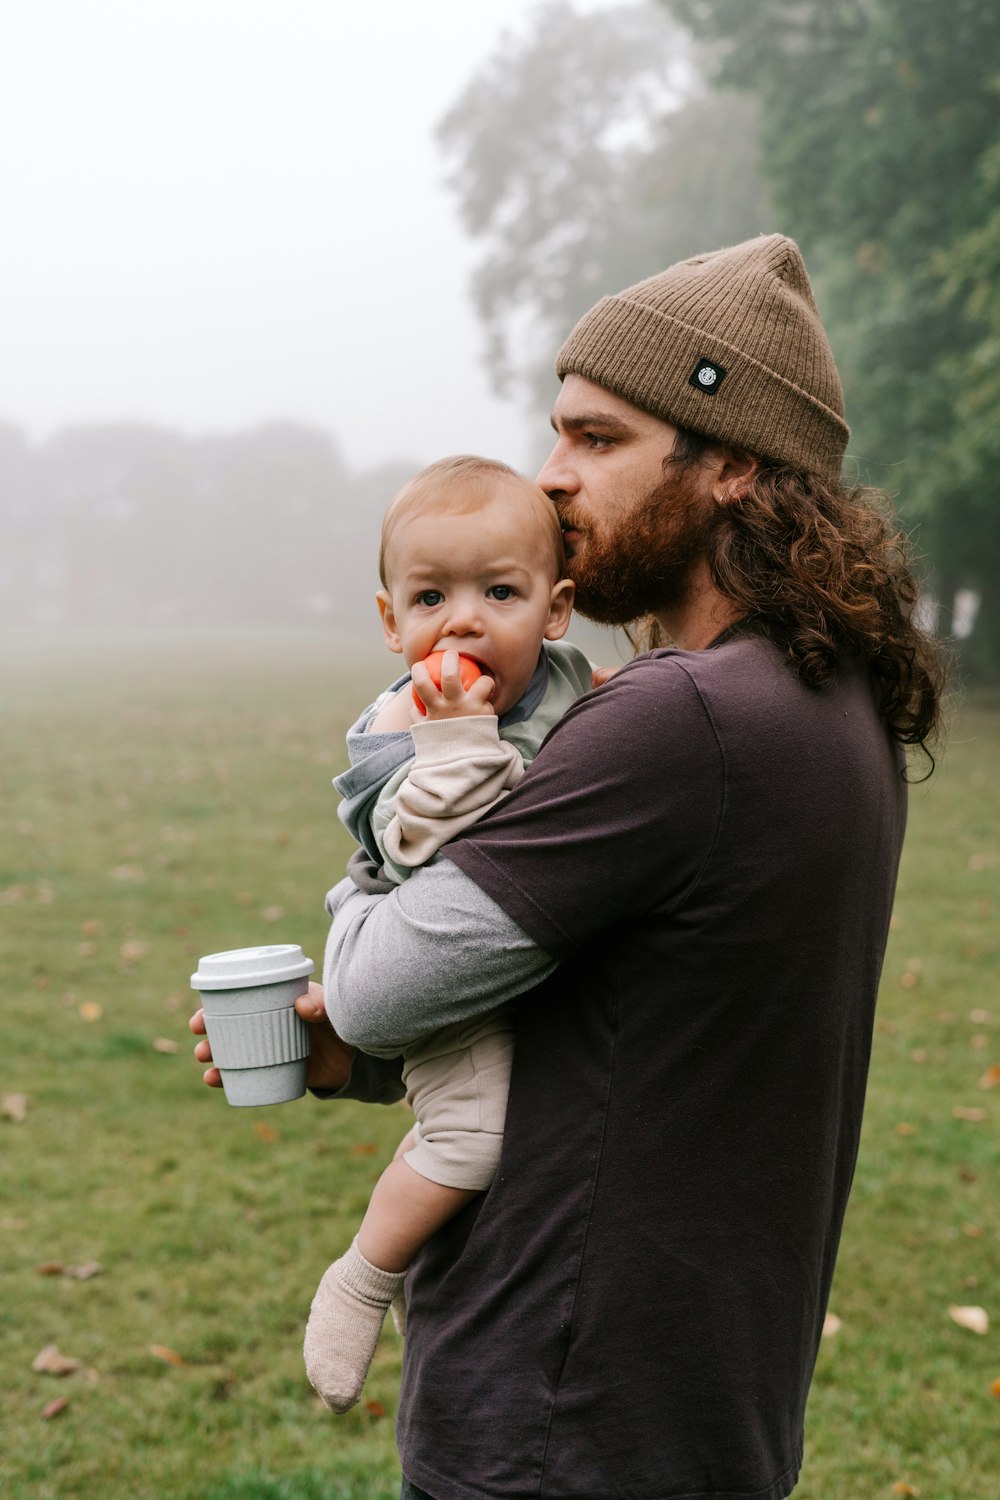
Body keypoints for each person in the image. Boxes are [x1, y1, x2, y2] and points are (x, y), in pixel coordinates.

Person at [192, 234, 944, 1500]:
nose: (549, 483)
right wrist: (357, 1063)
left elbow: (378, 985)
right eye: (555, 435)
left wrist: (358, 944)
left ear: (734, 466)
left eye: (597, 441)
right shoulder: (824, 697)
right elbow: (627, 996)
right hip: (694, 1406)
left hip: (563, 1417)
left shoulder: (679, 720)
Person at [301, 455, 590, 1413]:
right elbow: (416, 838)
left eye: (498, 591)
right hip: (414, 929)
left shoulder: (567, 684)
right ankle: (363, 1275)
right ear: (392, 623)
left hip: (500, 950)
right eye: (431, 596)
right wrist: (458, 738)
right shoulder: (402, 722)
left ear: (555, 612)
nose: (462, 619)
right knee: (471, 1137)